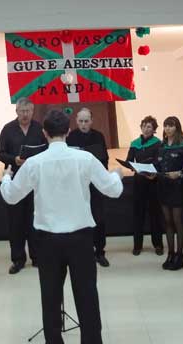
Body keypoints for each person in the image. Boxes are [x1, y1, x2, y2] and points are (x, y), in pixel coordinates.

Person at [0, 109, 124, 344]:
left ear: (44, 133)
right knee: (87, 297)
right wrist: (116, 175)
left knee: (50, 298)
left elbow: (11, 197)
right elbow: (113, 190)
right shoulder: (85, 159)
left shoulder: (35, 163)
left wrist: (6, 176)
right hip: (82, 239)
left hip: (47, 242)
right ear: (68, 131)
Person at [0, 97, 47, 274]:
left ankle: (37, 257)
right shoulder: (8, 129)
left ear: (33, 111)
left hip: (35, 181)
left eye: (28, 111)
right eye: (22, 111)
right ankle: (18, 259)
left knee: (35, 220)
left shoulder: (40, 128)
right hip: (16, 179)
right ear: (16, 111)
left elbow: (47, 150)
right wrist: (14, 159)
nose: (25, 114)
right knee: (15, 222)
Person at [66, 108, 111, 267]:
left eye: (86, 121)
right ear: (76, 121)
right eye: (81, 121)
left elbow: (105, 159)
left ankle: (100, 252)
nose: (84, 124)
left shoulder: (98, 136)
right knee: (80, 217)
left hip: (95, 182)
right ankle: (83, 252)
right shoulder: (71, 137)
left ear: (91, 121)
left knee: (98, 217)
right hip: (78, 184)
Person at [156, 116, 183, 271]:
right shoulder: (161, 146)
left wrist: (179, 174)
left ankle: (180, 254)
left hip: (177, 187)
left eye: (170, 126)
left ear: (177, 127)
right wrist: (152, 173)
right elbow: (157, 166)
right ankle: (170, 253)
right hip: (164, 186)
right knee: (168, 221)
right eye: (165, 126)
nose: (167, 129)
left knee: (177, 221)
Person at [125, 115, 164, 256]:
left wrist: (152, 169)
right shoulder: (135, 143)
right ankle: (137, 245)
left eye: (149, 126)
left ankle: (158, 244)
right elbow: (129, 160)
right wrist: (132, 166)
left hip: (153, 182)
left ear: (154, 130)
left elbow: (158, 162)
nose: (146, 129)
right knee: (138, 214)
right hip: (139, 181)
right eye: (144, 126)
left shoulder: (158, 143)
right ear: (141, 127)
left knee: (155, 214)